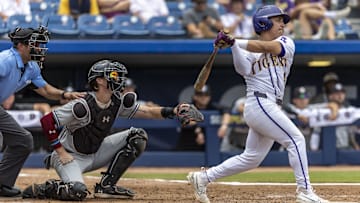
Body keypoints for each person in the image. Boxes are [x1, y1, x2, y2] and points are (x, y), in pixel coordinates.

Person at [187, 5, 329, 203]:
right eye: (278, 20)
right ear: (264, 22)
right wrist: (234, 47)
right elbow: (243, 69)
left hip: (268, 105)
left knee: (252, 158)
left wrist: (234, 41)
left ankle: (203, 178)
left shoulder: (286, 42)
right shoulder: (248, 50)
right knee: (296, 139)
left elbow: (265, 47)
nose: (282, 24)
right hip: (259, 102)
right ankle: (305, 191)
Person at [22, 59, 203, 201]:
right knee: (77, 192)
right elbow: (47, 121)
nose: (118, 79)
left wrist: (174, 111)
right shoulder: (82, 104)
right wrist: (60, 152)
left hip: (96, 151)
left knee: (137, 135)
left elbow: (147, 111)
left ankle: (106, 187)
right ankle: (46, 188)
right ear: (100, 81)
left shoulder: (116, 101)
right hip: (71, 157)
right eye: (113, 75)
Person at [0, 26, 85, 199]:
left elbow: (45, 90)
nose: (39, 48)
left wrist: (64, 95)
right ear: (21, 46)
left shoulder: (31, 67)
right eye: (35, 44)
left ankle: (2, 183)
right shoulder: (5, 60)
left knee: (23, 140)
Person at [176, 85, 231, 151]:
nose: (203, 97)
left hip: (206, 147)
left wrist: (224, 126)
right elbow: (185, 117)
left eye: (206, 95)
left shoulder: (212, 107)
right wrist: (198, 131)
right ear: (195, 97)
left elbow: (227, 111)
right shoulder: (189, 106)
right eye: (200, 95)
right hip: (187, 146)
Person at [310, 82, 360, 151]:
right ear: (330, 96)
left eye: (342, 93)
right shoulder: (322, 110)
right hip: (327, 149)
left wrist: (355, 146)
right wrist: (330, 106)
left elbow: (350, 132)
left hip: (345, 148)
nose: (340, 95)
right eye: (336, 93)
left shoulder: (348, 110)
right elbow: (306, 109)